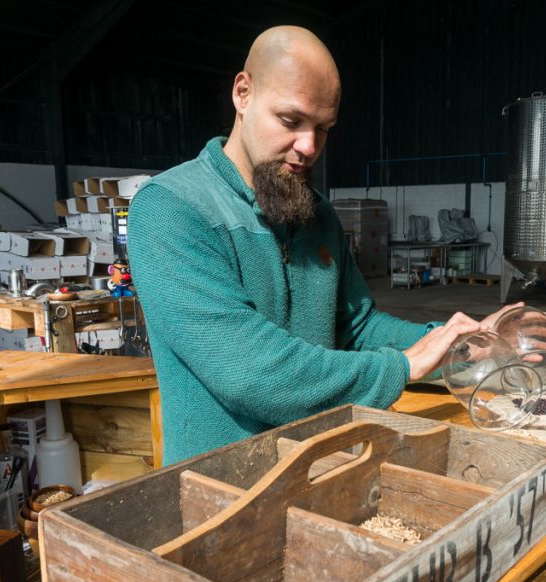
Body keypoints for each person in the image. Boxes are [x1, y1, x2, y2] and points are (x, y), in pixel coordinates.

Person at [129, 26, 523, 465]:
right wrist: (400, 368)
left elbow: (356, 328)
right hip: (220, 486)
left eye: (323, 128)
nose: (309, 146)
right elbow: (252, 371)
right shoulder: (171, 209)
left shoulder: (318, 215)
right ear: (243, 93)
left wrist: (458, 346)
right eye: (290, 121)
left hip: (320, 465)